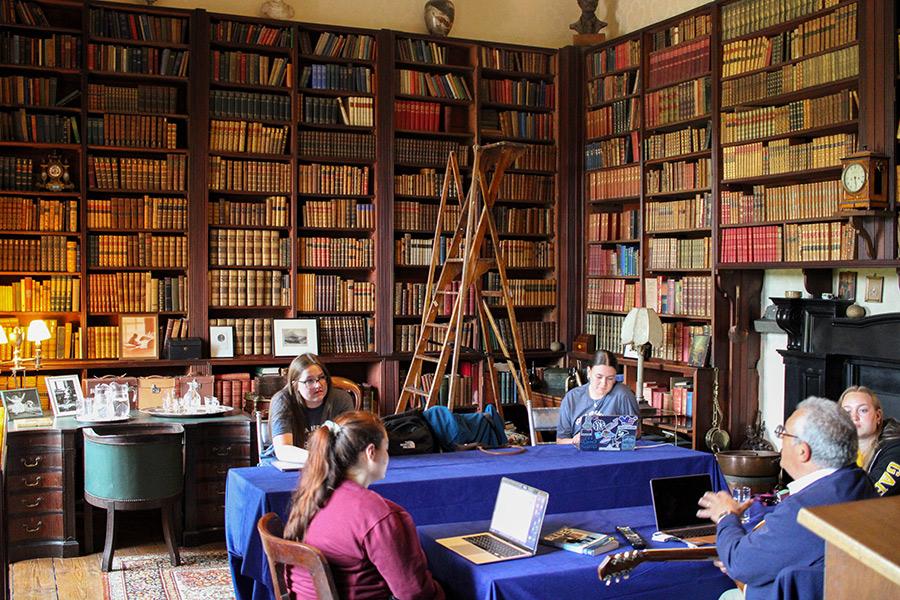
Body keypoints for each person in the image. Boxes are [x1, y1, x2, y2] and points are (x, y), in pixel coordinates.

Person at [697, 397, 875, 600]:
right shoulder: (860, 481)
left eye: (784, 434)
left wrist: (725, 515)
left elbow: (740, 564)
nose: (780, 441)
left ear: (802, 451)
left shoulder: (804, 509)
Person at [283, 411, 445, 600]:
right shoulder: (377, 515)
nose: (388, 456)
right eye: (386, 448)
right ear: (371, 452)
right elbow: (414, 594)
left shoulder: (313, 496)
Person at [268, 354, 355, 457]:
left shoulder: (342, 399)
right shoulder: (282, 401)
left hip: (328, 465)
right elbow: (283, 451)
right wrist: (318, 459)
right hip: (287, 464)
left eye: (321, 377)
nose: (318, 385)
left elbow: (348, 444)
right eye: (309, 381)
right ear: (295, 385)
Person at [556, 350, 639, 444]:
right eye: (599, 377)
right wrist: (575, 441)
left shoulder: (623, 395)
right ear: (589, 372)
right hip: (579, 454)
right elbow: (560, 440)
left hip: (613, 455)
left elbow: (635, 433)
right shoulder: (572, 398)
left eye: (610, 378)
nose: (603, 383)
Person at [839, 386, 900, 496]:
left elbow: (870, 496)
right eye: (847, 412)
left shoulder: (896, 450)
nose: (854, 417)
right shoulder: (839, 445)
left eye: (863, 410)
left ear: (878, 416)